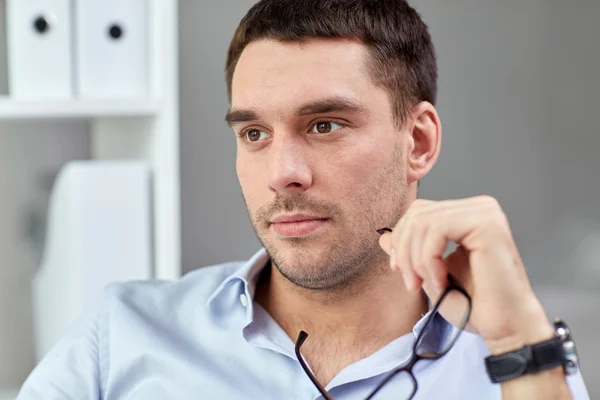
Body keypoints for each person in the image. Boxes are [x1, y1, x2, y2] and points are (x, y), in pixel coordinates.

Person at [18, 0, 590, 399]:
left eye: (324, 126)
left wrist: (520, 345)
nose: (282, 174)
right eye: (254, 134)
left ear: (418, 142)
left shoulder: (517, 362)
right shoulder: (119, 337)